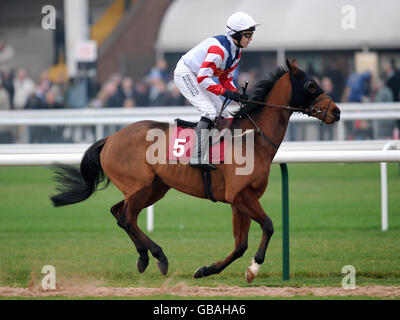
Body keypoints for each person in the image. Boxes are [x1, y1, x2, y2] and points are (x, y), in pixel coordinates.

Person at [174, 11, 258, 169]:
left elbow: (225, 79)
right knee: (210, 112)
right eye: (247, 34)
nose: (250, 38)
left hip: (199, 75)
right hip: (185, 73)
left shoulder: (236, 52)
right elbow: (203, 79)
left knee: (225, 114)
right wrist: (226, 93)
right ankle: (196, 156)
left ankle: (215, 152)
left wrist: (237, 95)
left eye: (251, 34)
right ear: (236, 34)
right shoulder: (219, 51)